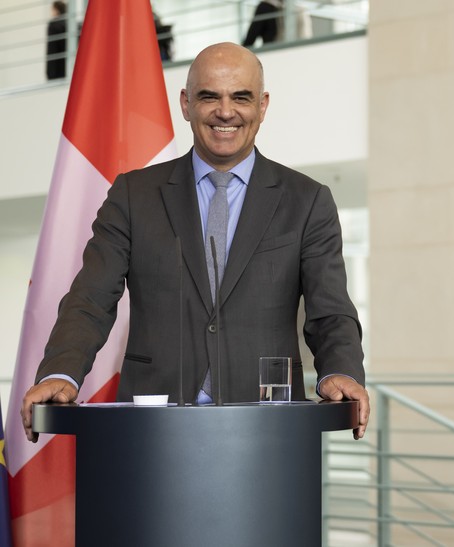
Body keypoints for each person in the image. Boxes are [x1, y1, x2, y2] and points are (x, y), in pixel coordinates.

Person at [21, 42, 369, 442]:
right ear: (186, 104)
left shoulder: (307, 200)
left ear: (263, 105)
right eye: (209, 97)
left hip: (267, 430)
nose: (226, 111)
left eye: (241, 97)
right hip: (151, 427)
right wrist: (60, 372)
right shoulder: (133, 195)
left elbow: (331, 312)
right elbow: (90, 299)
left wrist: (341, 371)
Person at [46, 1, 67, 80]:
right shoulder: (69, 24)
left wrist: (50, 74)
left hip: (56, 72)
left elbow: (51, 49)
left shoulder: (54, 25)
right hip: (67, 69)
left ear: (57, 10)